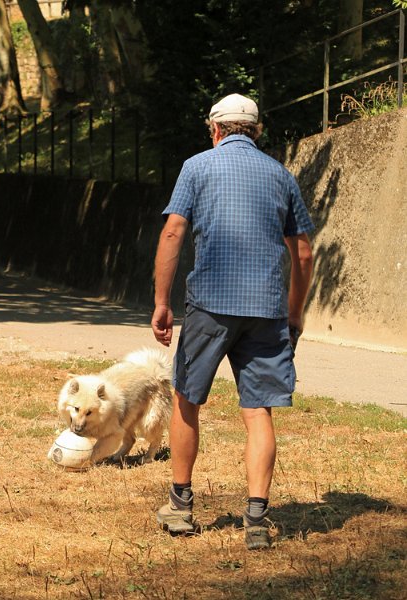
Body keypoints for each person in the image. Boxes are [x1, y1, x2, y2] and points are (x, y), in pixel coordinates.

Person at [151, 93, 314, 550]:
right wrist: (294, 313)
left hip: (210, 304)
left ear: (215, 129)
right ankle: (257, 520)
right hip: (266, 309)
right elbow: (302, 251)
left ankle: (181, 506)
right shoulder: (280, 174)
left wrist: (162, 301)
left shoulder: (197, 167)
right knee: (257, 409)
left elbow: (173, 231)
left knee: (187, 399)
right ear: (256, 131)